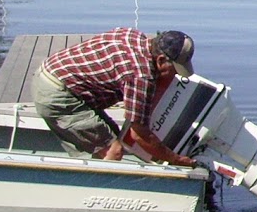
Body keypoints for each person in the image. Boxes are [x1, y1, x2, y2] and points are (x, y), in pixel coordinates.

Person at [31, 28, 199, 166]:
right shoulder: (140, 75)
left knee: (113, 136)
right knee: (114, 150)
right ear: (161, 60)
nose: (174, 76)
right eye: (175, 71)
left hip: (52, 75)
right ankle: (100, 194)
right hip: (58, 93)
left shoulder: (135, 37)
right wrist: (176, 159)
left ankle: (90, 174)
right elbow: (138, 134)